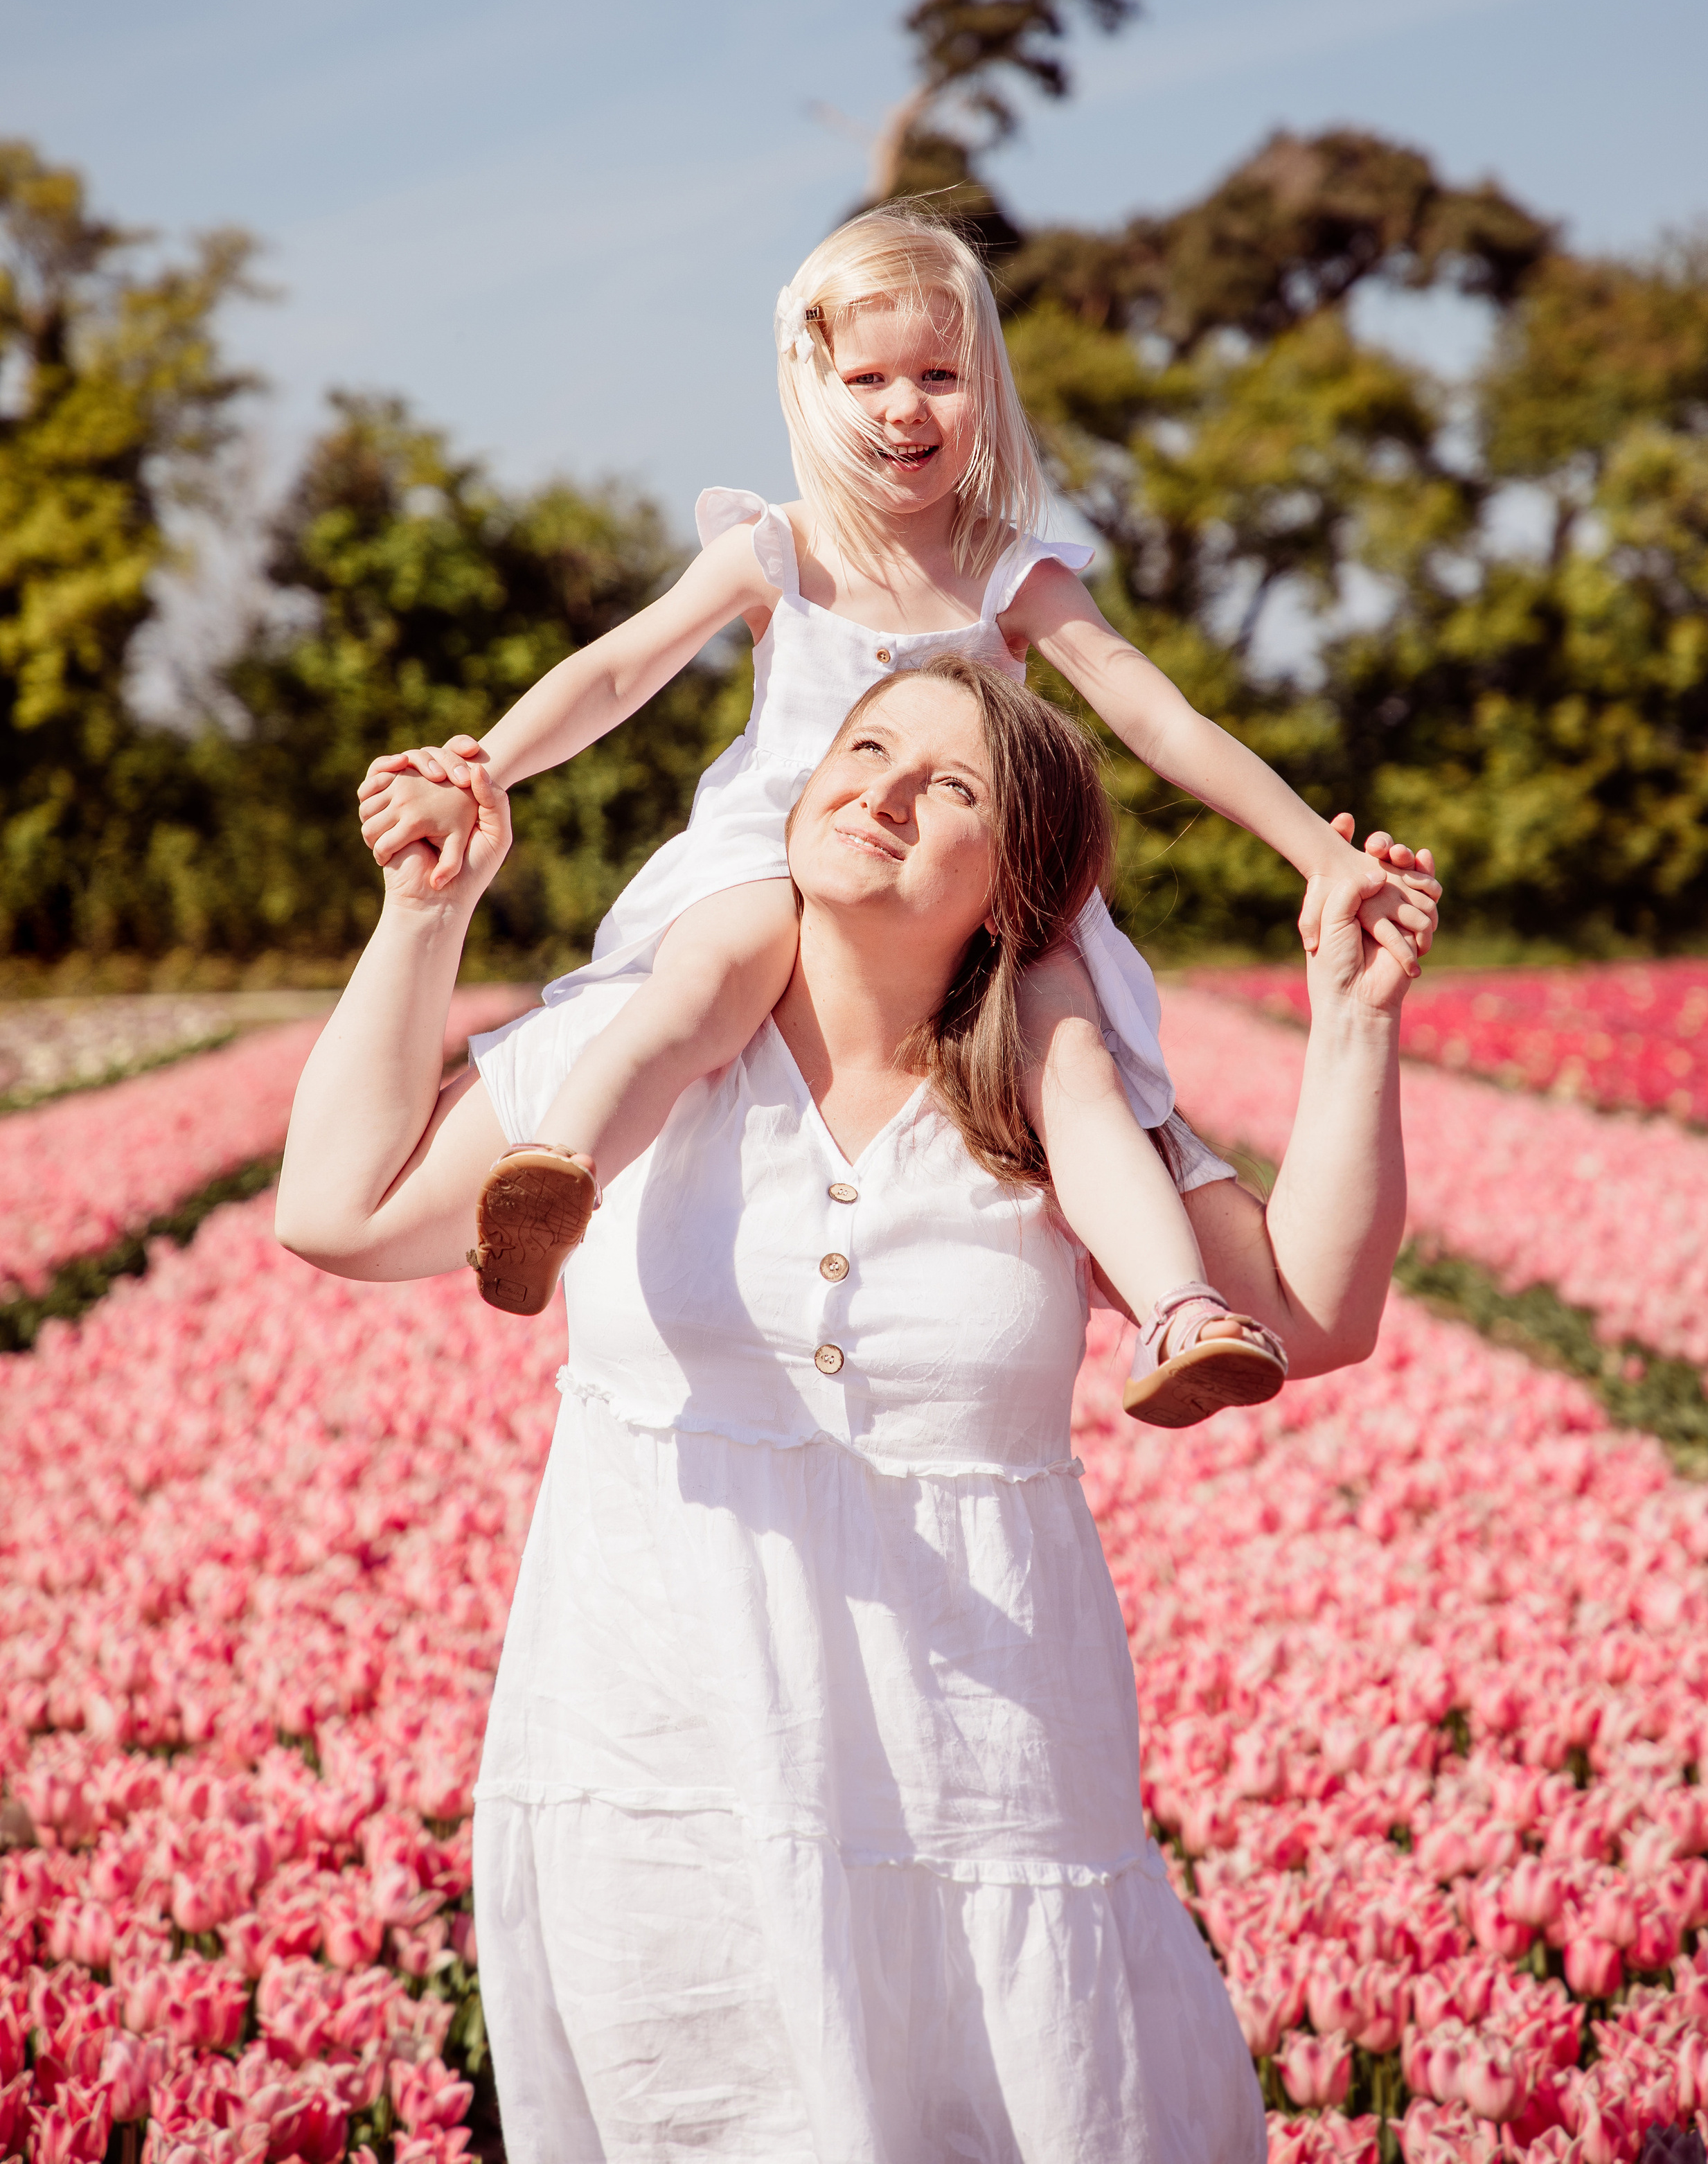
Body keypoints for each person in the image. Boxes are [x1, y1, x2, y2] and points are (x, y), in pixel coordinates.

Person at [279, 654, 1436, 2163]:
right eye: (867, 748)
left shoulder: (1054, 1099)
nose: (882, 794)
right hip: (663, 1772)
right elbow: (340, 1213)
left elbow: (1312, 1316)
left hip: (981, 1794)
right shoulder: (629, 1048)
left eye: (947, 786)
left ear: (1015, 888)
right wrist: (426, 913)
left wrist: (1354, 1019)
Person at [353, 210, 1438, 1426]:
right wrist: (482, 767)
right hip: (779, 853)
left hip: (973, 880)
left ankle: (1182, 1312)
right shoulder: (779, 550)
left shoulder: (1014, 571)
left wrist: (1318, 852)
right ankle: (560, 1176)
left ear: (988, 387)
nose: (904, 409)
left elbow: (1159, 719)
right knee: (702, 984)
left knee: (1070, 1064)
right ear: (812, 385)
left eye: (939, 375)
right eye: (867, 378)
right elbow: (616, 673)